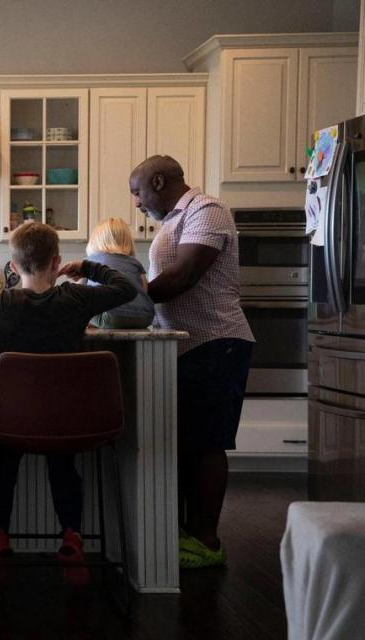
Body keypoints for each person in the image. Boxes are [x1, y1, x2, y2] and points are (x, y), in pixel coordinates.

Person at [0, 221, 137, 586]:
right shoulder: (76, 298)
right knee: (63, 462)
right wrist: (87, 268)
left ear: (12, 267)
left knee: (1, 461)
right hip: (66, 419)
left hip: (12, 421)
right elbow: (126, 288)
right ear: (56, 262)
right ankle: (71, 538)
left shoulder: (3, 304)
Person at [129, 155, 254, 569]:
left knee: (206, 445)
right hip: (188, 347)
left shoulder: (207, 211)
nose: (136, 203)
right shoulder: (171, 222)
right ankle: (188, 535)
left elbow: (182, 277)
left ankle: (206, 541)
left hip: (217, 342)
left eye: (138, 192)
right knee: (188, 443)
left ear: (159, 181)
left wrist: (123, 295)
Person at [84, 217, 155, 329]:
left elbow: (78, 293)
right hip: (145, 317)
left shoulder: (91, 261)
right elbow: (144, 290)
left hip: (111, 317)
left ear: (94, 241)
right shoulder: (135, 263)